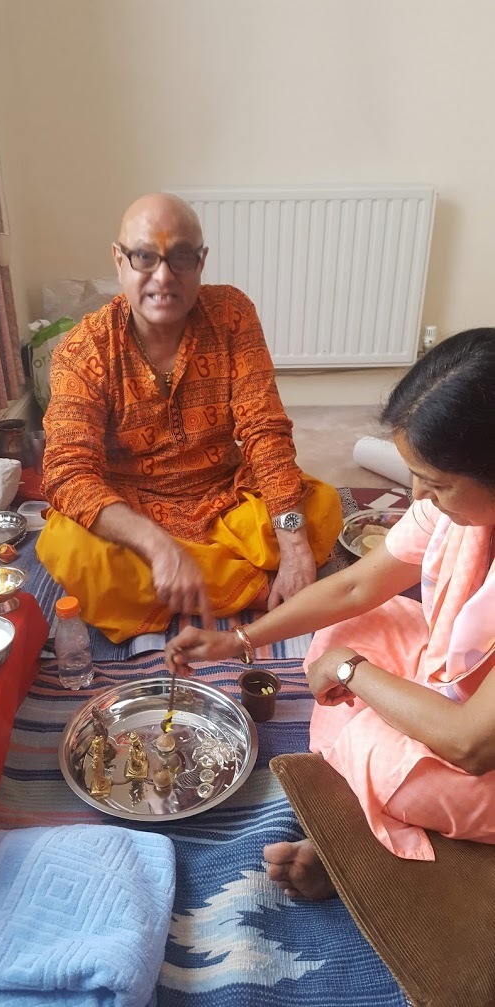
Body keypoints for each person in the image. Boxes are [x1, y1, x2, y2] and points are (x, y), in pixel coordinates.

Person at [165, 327, 495, 897]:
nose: (419, 497)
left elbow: (470, 744)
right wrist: (239, 640)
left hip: (479, 748)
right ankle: (369, 777)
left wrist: (350, 670)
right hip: (461, 684)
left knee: (377, 749)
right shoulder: (454, 510)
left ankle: (350, 844)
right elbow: (355, 587)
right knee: (352, 625)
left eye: (437, 484)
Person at [36, 193, 342, 644]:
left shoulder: (232, 313)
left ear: (201, 261)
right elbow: (67, 473)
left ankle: (184, 589)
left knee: (320, 507)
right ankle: (254, 588)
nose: (163, 277)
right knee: (67, 547)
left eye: (180, 257)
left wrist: (294, 547)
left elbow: (264, 429)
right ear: (119, 260)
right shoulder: (83, 350)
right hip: (131, 510)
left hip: (224, 497)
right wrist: (157, 546)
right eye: (145, 257)